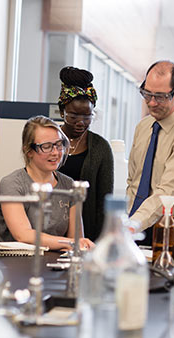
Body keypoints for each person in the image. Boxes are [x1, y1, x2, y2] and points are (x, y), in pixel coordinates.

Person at [127, 60, 174, 254]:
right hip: (135, 225)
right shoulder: (143, 127)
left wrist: (131, 225)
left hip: (173, 231)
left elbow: (167, 192)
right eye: (147, 94)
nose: (152, 102)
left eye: (160, 97)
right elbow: (133, 181)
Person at [0, 115, 94, 250]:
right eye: (46, 147)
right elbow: (23, 235)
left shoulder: (69, 185)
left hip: (55, 263)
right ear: (28, 150)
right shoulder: (12, 184)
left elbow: (76, 239)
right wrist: (70, 243)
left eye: (59, 145)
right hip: (16, 264)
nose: (55, 153)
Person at [56, 66, 114, 242]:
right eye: (73, 116)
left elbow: (105, 200)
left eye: (87, 117)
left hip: (86, 233)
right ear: (61, 112)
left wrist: (100, 241)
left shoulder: (100, 147)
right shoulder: (47, 140)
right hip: (48, 229)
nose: (81, 123)